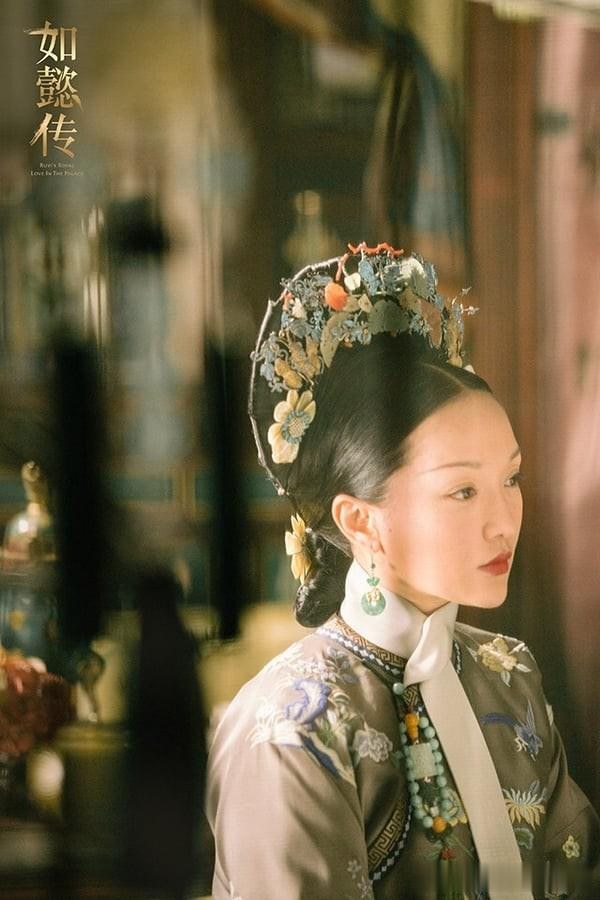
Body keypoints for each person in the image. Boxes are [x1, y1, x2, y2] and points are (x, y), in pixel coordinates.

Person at [206, 242, 599, 899]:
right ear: (361, 520)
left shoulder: (509, 677)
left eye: (511, 479)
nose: (504, 522)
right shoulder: (292, 727)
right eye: (463, 491)